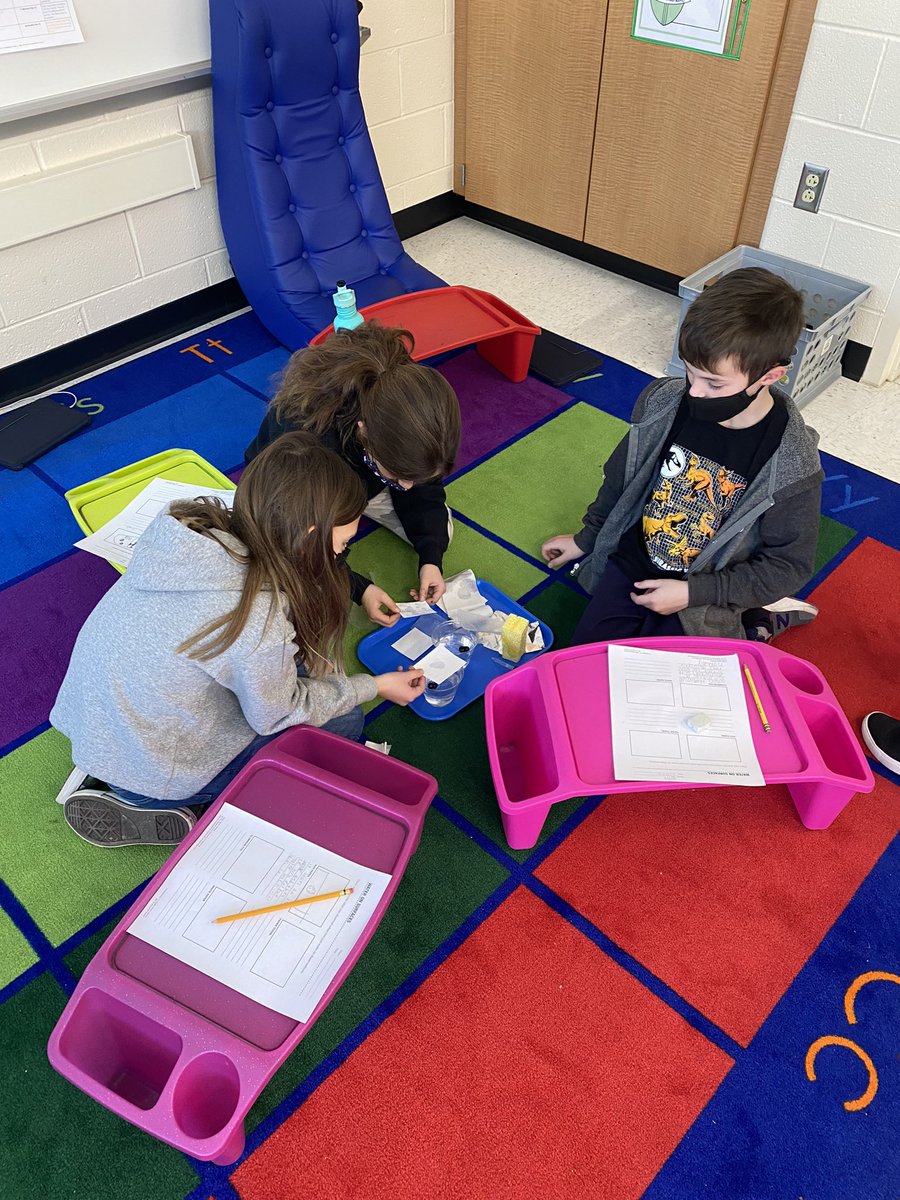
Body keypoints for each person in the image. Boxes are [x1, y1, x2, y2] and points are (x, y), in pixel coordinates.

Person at [50, 433, 425, 848]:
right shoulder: (257, 620)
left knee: (302, 676)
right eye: (340, 546)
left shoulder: (189, 538)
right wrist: (372, 686)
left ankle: (120, 777)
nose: (340, 557)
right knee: (345, 720)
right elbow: (277, 716)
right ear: (309, 533)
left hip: (97, 727)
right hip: (155, 771)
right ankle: (161, 803)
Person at [541, 267, 823, 645]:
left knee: (667, 691)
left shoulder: (793, 463)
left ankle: (758, 621)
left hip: (706, 590)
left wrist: (695, 594)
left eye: (715, 383)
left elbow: (788, 564)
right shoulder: (663, 403)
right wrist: (588, 538)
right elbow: (621, 479)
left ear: (770, 376)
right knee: (590, 663)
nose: (696, 393)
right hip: (634, 564)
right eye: (691, 373)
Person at [245, 321, 461, 615]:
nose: (408, 487)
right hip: (296, 486)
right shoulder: (308, 443)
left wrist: (431, 559)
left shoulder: (402, 399)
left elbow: (421, 488)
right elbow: (297, 538)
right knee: (295, 573)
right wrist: (359, 588)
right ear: (365, 431)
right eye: (398, 476)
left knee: (440, 530)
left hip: (360, 473)